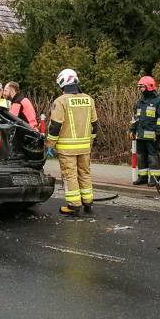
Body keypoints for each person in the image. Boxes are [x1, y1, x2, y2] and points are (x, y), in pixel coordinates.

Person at [45, 68, 99, 216]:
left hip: (67, 148)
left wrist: (50, 145)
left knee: (70, 175)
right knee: (85, 173)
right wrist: (90, 141)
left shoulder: (61, 101)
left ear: (62, 84)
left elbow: (55, 126)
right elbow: (95, 124)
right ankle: (88, 203)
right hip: (85, 147)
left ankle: (74, 205)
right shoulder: (89, 99)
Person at [129, 76, 160, 186]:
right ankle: (143, 177)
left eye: (142, 86)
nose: (140, 89)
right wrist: (132, 129)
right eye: (140, 87)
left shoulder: (159, 102)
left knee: (153, 156)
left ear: (149, 87)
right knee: (141, 156)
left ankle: (154, 178)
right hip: (140, 135)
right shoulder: (140, 102)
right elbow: (135, 118)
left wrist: (158, 133)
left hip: (152, 136)